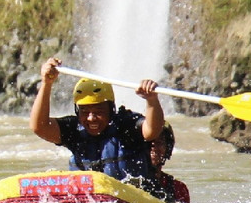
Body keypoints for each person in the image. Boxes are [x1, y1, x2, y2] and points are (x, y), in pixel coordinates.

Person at [30, 55, 163, 190]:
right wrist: (46, 83)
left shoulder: (126, 124)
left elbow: (152, 131)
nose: (91, 118)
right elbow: (39, 127)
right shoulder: (74, 129)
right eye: (85, 111)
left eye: (99, 111)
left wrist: (152, 101)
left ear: (111, 109)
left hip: (132, 200)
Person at [145, 121, 191, 203]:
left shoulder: (178, 189)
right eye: (149, 143)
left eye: (159, 143)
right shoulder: (129, 183)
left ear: (167, 148)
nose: (154, 148)